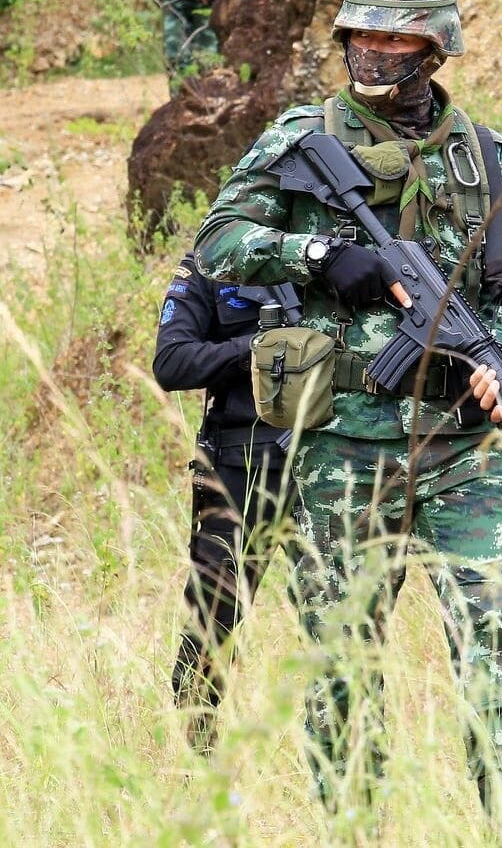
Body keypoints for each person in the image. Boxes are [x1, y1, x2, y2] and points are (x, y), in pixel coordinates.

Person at [193, 0, 502, 828]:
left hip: (462, 454)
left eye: (397, 37)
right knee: (342, 660)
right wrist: (319, 257)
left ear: (435, 48)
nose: (376, 53)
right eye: (363, 35)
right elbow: (218, 244)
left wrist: (496, 363)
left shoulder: (484, 155)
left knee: (496, 634)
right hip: (343, 449)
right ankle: (351, 827)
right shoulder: (299, 139)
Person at [152, 253, 299, 753]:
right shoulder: (213, 261)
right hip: (239, 470)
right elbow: (171, 362)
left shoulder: (342, 249)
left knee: (345, 620)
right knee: (211, 627)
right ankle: (200, 767)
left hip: (330, 463)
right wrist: (257, 349)